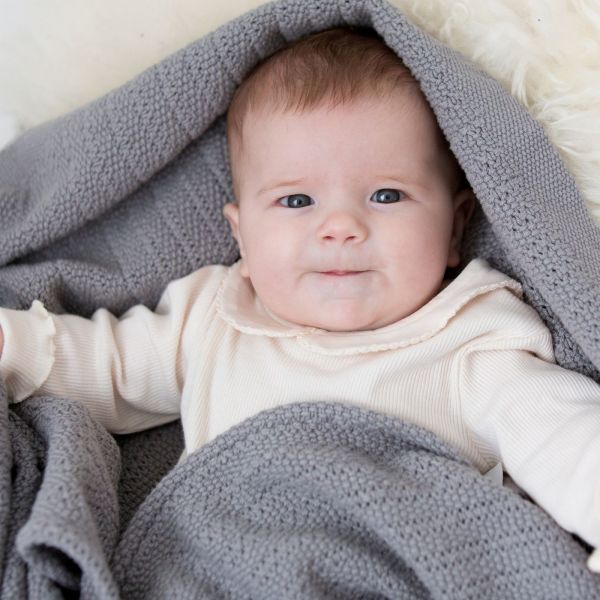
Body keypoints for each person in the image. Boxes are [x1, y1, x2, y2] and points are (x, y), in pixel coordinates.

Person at [2, 27, 600, 566]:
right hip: (219, 564)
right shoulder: (215, 318)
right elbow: (108, 366)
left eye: (386, 195)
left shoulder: (472, 339)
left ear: (453, 228)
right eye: (296, 201)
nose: (340, 227)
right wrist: (14, 345)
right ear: (242, 235)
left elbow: (566, 440)